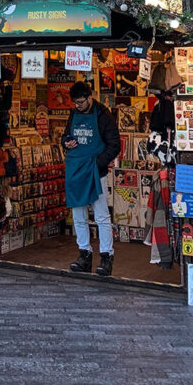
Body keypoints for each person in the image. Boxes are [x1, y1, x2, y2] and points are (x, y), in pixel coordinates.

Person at [61, 80, 120, 276]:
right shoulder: (73, 114)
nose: (78, 106)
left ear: (89, 97)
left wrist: (97, 163)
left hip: (96, 172)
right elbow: (65, 136)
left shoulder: (103, 115)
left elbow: (114, 145)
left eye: (81, 102)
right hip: (77, 171)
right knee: (78, 216)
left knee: (102, 215)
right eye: (75, 103)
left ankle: (106, 257)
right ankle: (84, 254)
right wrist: (66, 142)